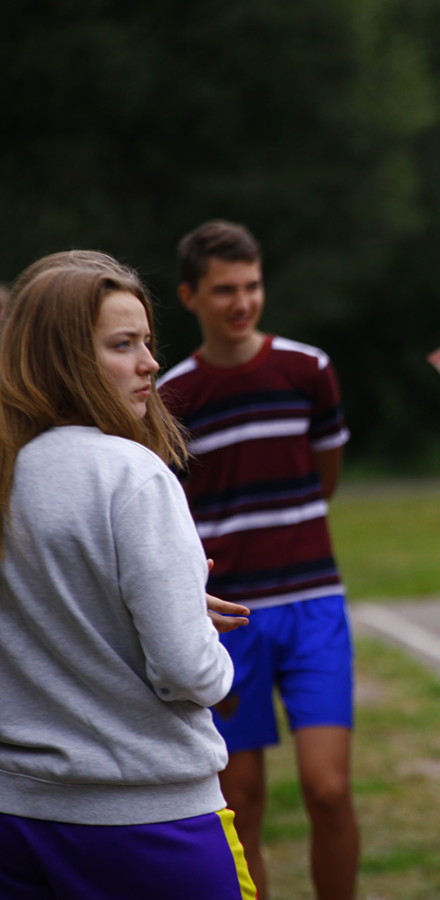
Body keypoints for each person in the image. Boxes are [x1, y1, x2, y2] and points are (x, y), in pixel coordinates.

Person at [0, 254, 256, 899]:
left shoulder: (10, 470)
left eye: (147, 341)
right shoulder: (132, 474)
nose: (150, 363)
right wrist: (201, 636)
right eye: (122, 345)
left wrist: (154, 604)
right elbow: (187, 672)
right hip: (150, 821)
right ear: (62, 359)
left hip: (16, 820)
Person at [158, 221, 358, 900]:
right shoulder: (171, 396)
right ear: (190, 295)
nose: (241, 302)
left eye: (252, 286)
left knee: (327, 787)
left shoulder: (308, 369)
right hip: (228, 616)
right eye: (224, 290)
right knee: (239, 800)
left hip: (313, 603)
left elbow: (326, 476)